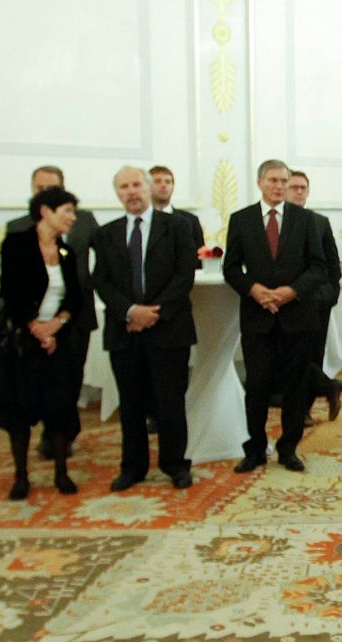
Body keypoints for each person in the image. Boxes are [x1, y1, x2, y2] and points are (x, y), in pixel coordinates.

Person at [222, 160, 335, 473]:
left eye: (284, 181)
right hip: (257, 316)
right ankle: (255, 449)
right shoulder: (241, 219)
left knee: (296, 386)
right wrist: (254, 289)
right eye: (273, 180)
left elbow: (319, 267)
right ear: (260, 183)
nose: (279, 186)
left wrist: (291, 291)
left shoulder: (306, 220)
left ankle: (289, 449)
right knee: (257, 385)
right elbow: (231, 267)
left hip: (297, 315)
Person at [93, 166, 195, 491]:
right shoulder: (105, 234)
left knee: (170, 403)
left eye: (137, 184)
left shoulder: (178, 226)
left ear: (148, 187)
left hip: (169, 330)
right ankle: (133, 468)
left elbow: (184, 276)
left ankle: (175, 464)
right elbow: (102, 281)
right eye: (124, 187)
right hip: (125, 332)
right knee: (131, 405)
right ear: (117, 193)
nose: (132, 191)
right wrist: (130, 312)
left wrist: (153, 314)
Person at [0, 187, 88, 500]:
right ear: (46, 211)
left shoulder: (66, 251)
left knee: (59, 408)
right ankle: (21, 477)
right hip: (23, 341)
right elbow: (10, 292)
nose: (73, 218)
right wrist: (36, 328)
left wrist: (56, 326)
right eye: (67, 211)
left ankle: (61, 473)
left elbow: (74, 298)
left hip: (57, 341)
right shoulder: (17, 244)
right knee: (20, 411)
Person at [7, 166, 99, 459]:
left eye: (53, 188)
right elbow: (12, 284)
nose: (46, 193)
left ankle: (62, 436)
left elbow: (108, 255)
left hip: (76, 316)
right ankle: (44, 434)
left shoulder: (84, 220)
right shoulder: (17, 228)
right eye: (40, 188)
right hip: (33, 323)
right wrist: (34, 324)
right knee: (34, 384)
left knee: (70, 379)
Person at [285, 168, 342, 423]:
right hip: (285, 302)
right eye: (294, 187)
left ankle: (305, 409)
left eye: (303, 188)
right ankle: (329, 386)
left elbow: (332, 264)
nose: (299, 192)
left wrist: (329, 295)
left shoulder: (320, 222)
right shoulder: (273, 223)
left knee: (313, 355)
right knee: (289, 355)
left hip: (317, 302)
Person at [149, 165, 207, 267]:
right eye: (158, 181)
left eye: (168, 182)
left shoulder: (190, 220)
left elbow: (199, 258)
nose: (163, 185)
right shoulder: (139, 220)